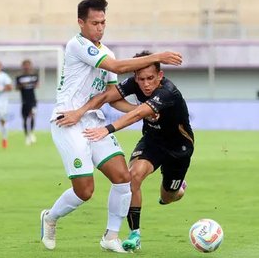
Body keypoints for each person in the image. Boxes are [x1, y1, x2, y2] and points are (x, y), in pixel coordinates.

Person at [40, 0, 182, 253]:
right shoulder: (77, 45)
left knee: (123, 178)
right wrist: (158, 56)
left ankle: (110, 237)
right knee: (85, 191)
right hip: (68, 120)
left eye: (103, 22)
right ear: (81, 22)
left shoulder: (108, 52)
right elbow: (116, 67)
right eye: (95, 23)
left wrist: (141, 112)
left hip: (93, 120)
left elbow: (111, 98)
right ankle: (50, 217)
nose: (100, 28)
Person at [56, 50, 194, 252]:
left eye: (150, 78)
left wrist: (107, 129)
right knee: (133, 177)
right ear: (135, 77)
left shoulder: (168, 92)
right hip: (152, 141)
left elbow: (138, 114)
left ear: (160, 76)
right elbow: (106, 97)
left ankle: (178, 187)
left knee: (168, 198)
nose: (146, 84)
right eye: (141, 79)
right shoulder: (134, 83)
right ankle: (134, 234)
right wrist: (79, 112)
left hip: (179, 148)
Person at [16, 59, 39, 145]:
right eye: (25, 65)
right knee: (25, 119)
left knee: (32, 115)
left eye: (28, 65)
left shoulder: (34, 75)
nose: (27, 67)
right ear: (22, 66)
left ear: (30, 66)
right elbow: (17, 88)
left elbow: (37, 85)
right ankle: (26, 136)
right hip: (24, 101)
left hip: (33, 100)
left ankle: (32, 133)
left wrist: (29, 84)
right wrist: (22, 85)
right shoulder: (19, 77)